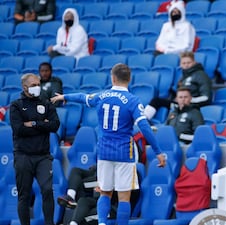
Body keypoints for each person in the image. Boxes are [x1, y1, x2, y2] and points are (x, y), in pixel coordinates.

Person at [51, 63, 166, 225]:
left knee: (105, 193)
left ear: (112, 78)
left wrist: (64, 97)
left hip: (104, 152)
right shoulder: (133, 101)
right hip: (124, 153)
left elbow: (83, 97)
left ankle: (102, 223)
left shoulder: (102, 95)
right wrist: (158, 151)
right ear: (130, 79)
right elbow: (144, 127)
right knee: (124, 196)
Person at [9, 73, 60, 225]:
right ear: (25, 87)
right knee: (24, 195)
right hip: (23, 156)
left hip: (43, 156)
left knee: (47, 191)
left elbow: (55, 125)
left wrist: (34, 124)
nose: (37, 88)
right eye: (33, 85)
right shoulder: (16, 105)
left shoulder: (46, 103)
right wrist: (42, 124)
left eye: (38, 84)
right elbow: (19, 130)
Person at [58, 165, 141, 225]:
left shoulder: (131, 172)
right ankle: (73, 221)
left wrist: (109, 189)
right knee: (83, 201)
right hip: (101, 201)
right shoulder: (108, 167)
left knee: (84, 217)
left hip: (114, 208)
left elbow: (133, 194)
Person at [144, 51, 212, 120]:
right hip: (179, 105)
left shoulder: (201, 75)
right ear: (180, 64)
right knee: (156, 101)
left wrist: (188, 100)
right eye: (184, 63)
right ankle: (142, 120)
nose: (186, 65)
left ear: (194, 62)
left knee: (157, 101)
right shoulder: (183, 77)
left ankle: (142, 121)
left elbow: (206, 97)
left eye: (189, 62)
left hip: (192, 106)